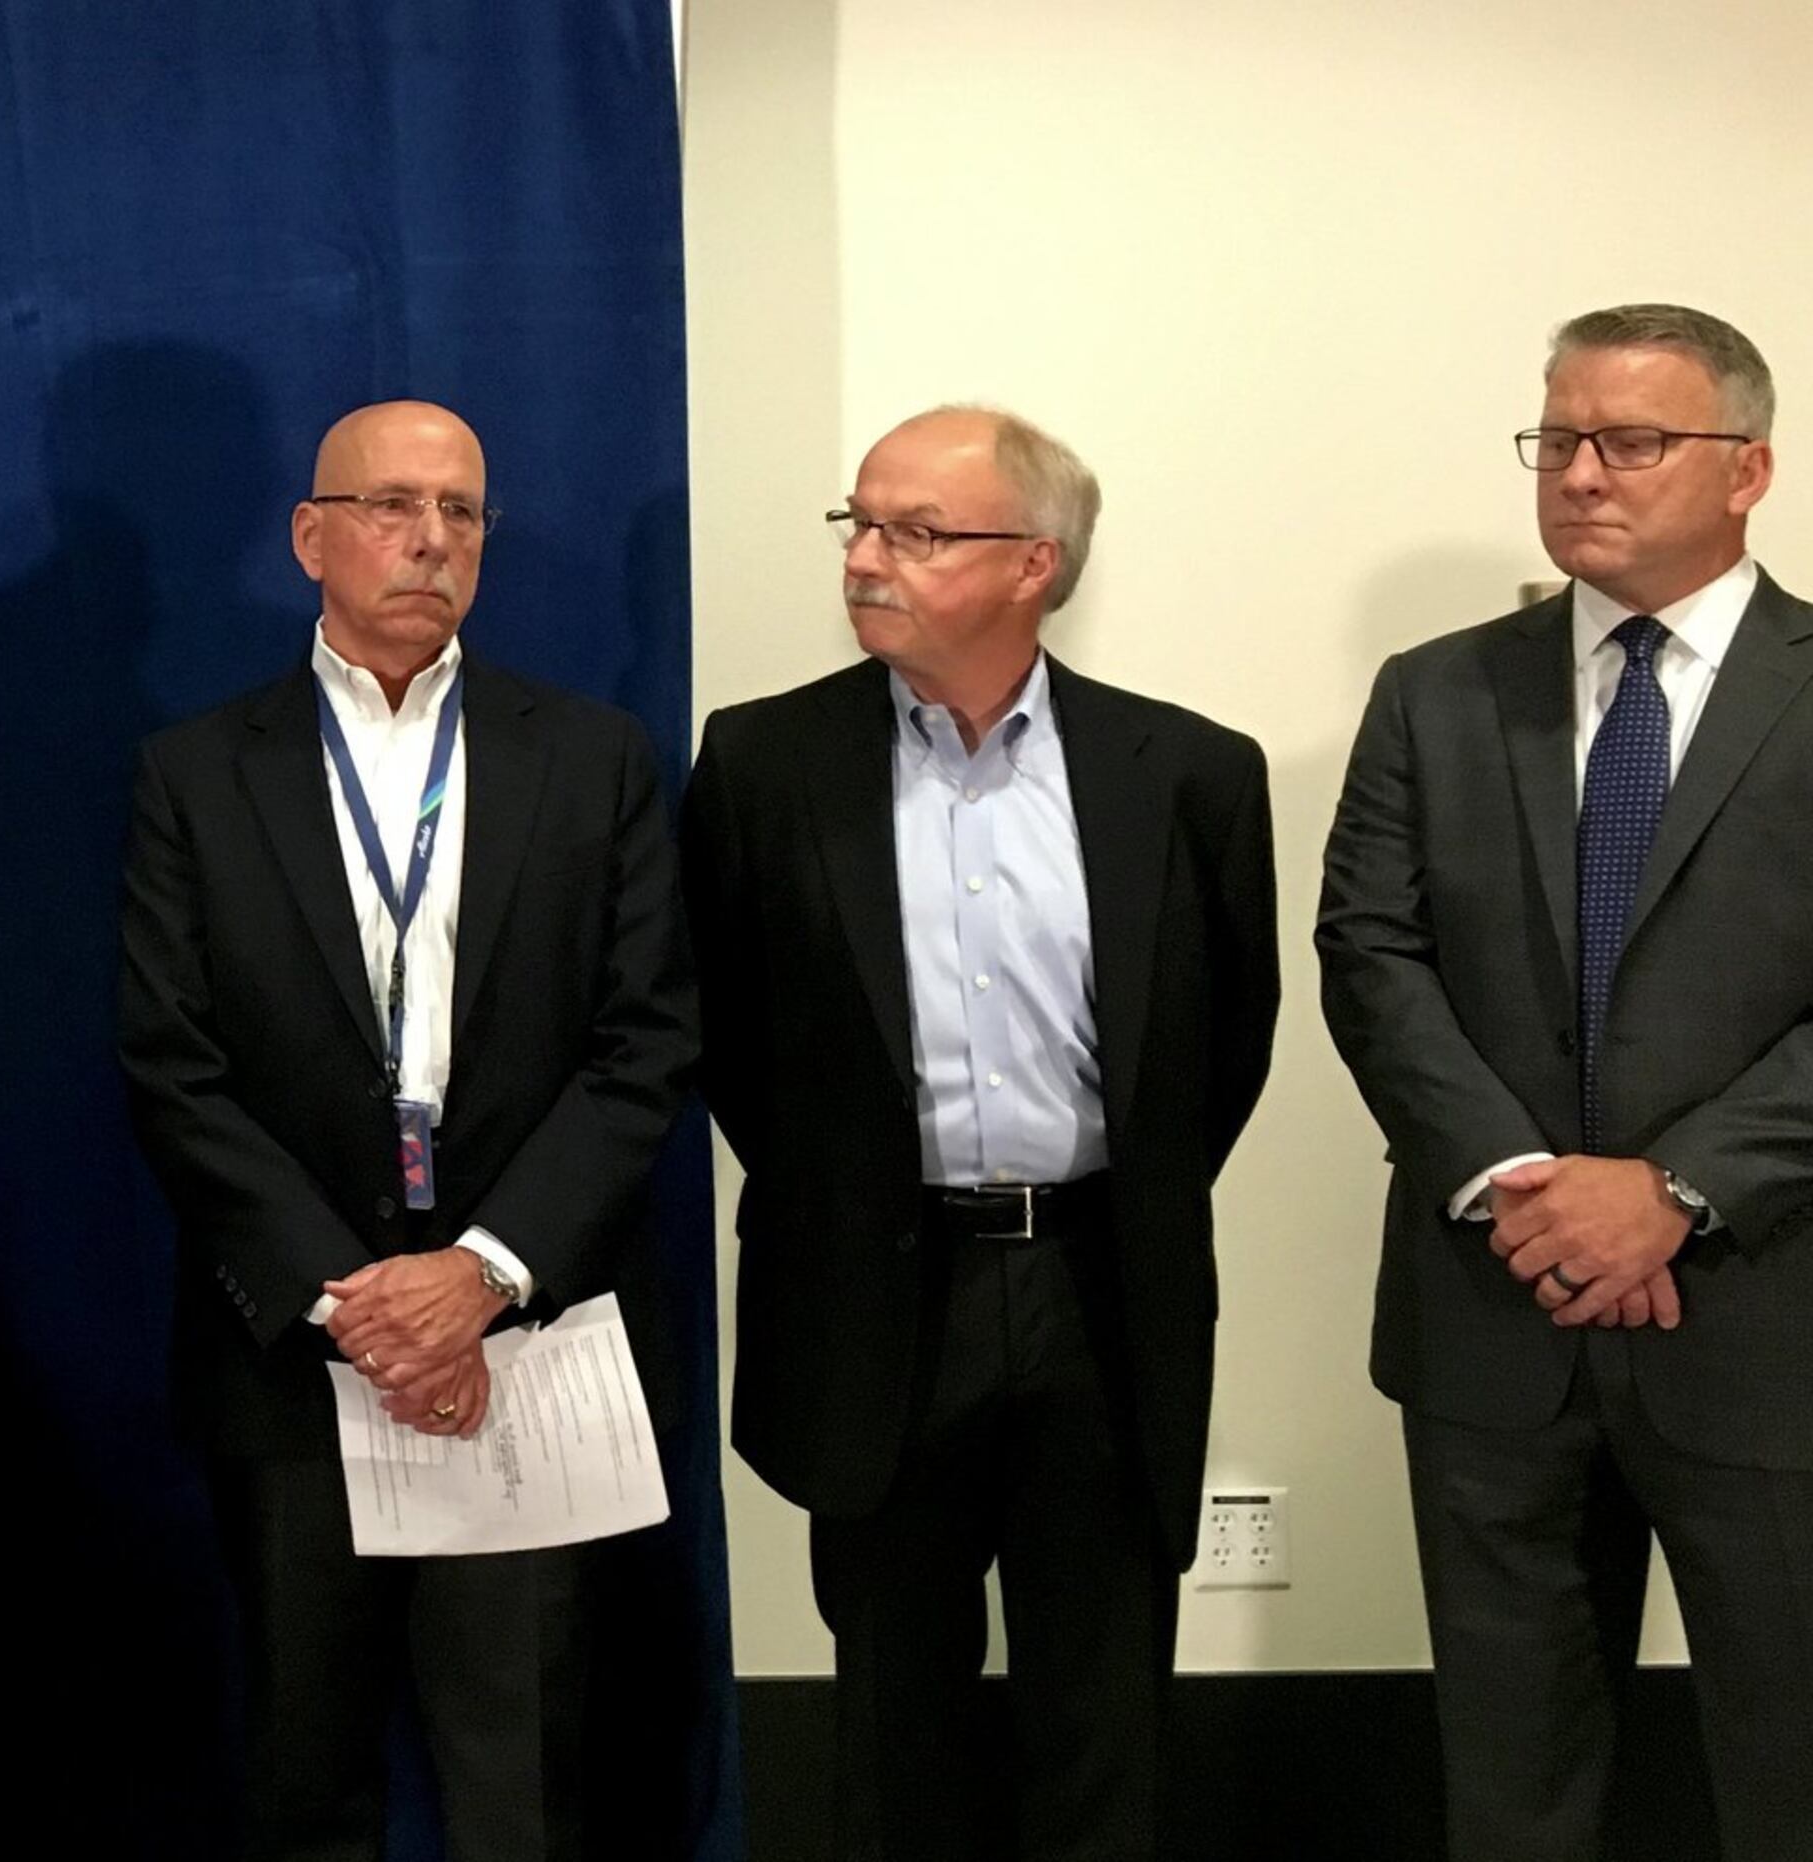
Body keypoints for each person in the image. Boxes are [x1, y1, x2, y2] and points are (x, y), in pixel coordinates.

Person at [683, 407, 1276, 1860]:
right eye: (860, 523)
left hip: (1100, 1290)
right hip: (879, 1293)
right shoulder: (763, 763)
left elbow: (1218, 1047)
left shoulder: (1186, 770)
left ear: (1036, 563)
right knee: (893, 1715)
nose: (867, 559)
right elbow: (733, 1041)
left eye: (916, 532)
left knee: (1104, 1706)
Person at [117, 399, 694, 1860]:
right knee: (308, 1775)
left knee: (523, 1780)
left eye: (462, 512)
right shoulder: (199, 769)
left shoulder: (591, 756)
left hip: (521, 1341)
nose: (430, 539)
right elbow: (171, 1064)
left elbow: (646, 1045)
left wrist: (483, 1272)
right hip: (300, 1349)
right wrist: (355, 1301)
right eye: (390, 505)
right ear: (311, 536)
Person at [1317, 304, 1813, 1862]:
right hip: (1493, 1315)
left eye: (1631, 441)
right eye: (1558, 438)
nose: (1581, 472)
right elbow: (1368, 954)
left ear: (1750, 470)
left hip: (1767, 1315)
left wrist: (1670, 1192)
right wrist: (1524, 1189)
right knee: (1514, 1780)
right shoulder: (1438, 690)